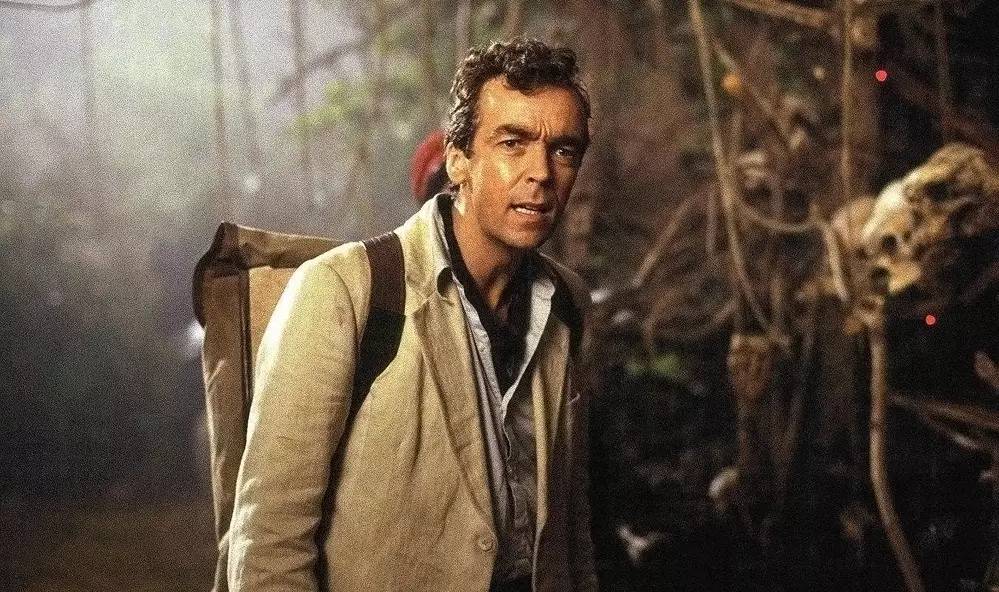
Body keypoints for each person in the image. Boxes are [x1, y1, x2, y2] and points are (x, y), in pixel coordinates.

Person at [227, 38, 597, 592]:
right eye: (512, 143)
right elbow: (269, 546)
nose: (541, 172)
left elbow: (572, 528)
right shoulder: (344, 291)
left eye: (563, 151)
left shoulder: (567, 303)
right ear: (459, 159)